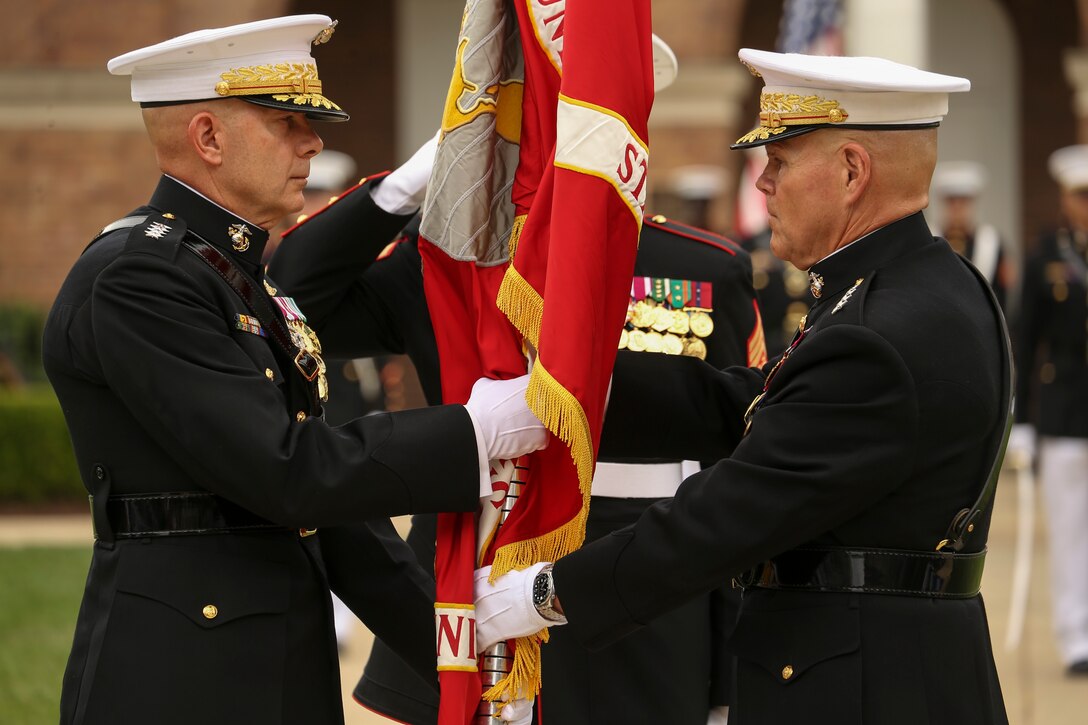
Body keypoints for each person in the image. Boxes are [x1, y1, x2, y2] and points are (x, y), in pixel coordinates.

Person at [474, 49, 1012, 725]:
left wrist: (542, 592)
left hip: (863, 686)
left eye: (779, 162)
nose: (763, 185)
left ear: (852, 171)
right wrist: (577, 398)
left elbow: (725, 512)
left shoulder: (879, 330)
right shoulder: (927, 286)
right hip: (889, 666)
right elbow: (758, 405)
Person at [42, 16, 544, 725]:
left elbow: (333, 524)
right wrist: (471, 429)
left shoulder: (232, 276)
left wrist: (462, 661)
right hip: (180, 675)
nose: (312, 141)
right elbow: (287, 472)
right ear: (208, 138)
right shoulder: (140, 278)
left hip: (270, 658)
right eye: (287, 122)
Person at [271, 206, 767, 723]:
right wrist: (394, 193)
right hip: (468, 552)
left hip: (630, 567)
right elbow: (290, 307)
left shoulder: (700, 263)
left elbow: (731, 459)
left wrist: (724, 663)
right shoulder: (447, 253)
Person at [1007, 144, 1088, 677]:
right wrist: (1024, 423)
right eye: (1081, 195)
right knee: (1071, 529)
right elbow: (1023, 338)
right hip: (1064, 414)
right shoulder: (1045, 258)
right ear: (1065, 199)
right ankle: (1076, 633)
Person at [930, 160, 1013, 311]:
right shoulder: (929, 239)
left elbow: (1002, 294)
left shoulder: (991, 242)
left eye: (963, 201)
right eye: (951, 201)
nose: (957, 208)